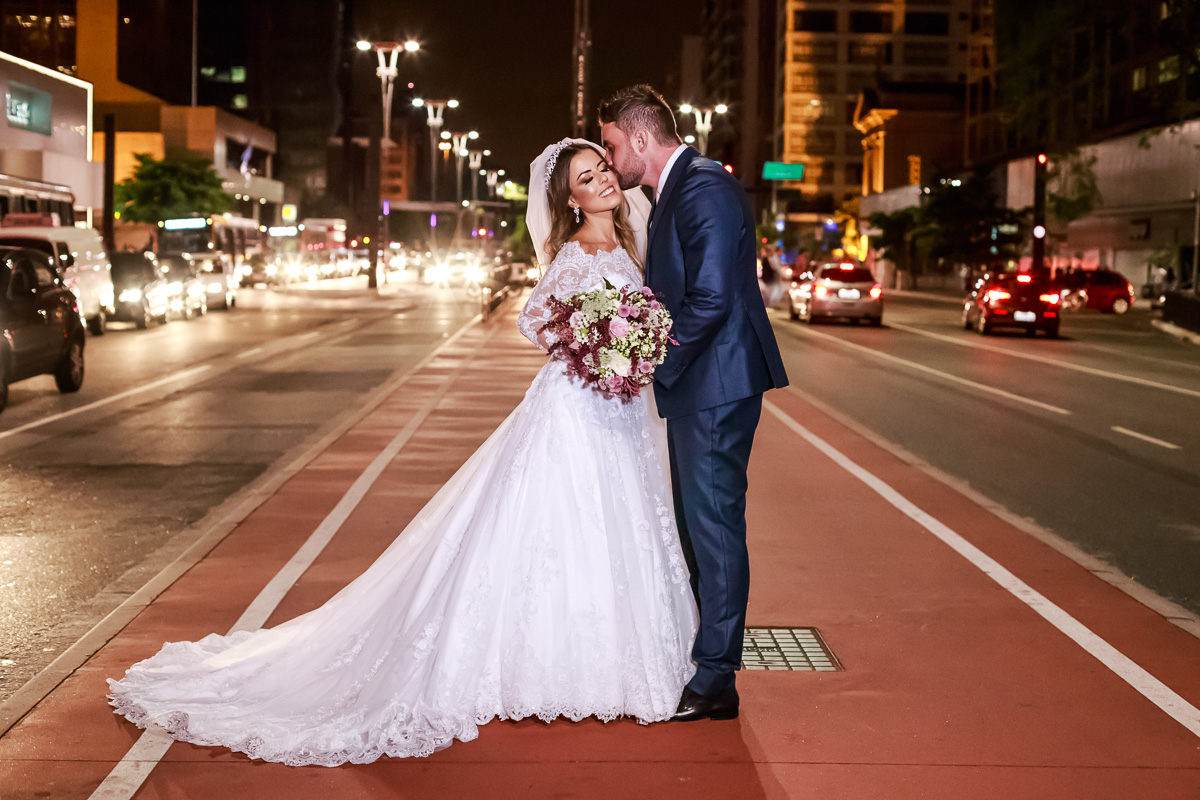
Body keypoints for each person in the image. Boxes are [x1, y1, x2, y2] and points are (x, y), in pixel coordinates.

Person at [106, 138, 697, 765]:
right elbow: (534, 321)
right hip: (576, 407)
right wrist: (588, 344)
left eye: (603, 168)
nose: (604, 179)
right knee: (561, 522)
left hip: (621, 410)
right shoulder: (575, 254)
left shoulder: (630, 246)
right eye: (587, 176)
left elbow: (639, 319)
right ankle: (552, 664)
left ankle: (617, 656)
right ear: (570, 198)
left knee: (616, 522)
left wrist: (627, 346)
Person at [600, 85, 789, 722]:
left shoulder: (703, 186)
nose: (609, 156)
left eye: (612, 144)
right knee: (695, 524)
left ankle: (715, 681)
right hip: (702, 382)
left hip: (715, 382)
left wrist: (650, 360)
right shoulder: (673, 191)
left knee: (712, 527)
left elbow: (709, 300)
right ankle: (707, 659)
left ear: (643, 139)